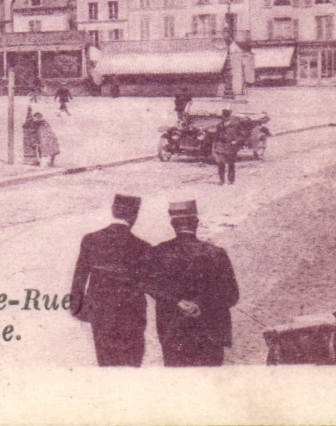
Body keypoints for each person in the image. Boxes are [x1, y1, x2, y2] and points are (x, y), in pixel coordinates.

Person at [144, 200, 239, 366]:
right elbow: (232, 295)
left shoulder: (158, 252)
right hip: (210, 332)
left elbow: (149, 286)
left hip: (173, 333)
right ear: (196, 223)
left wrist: (177, 302)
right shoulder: (216, 253)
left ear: (173, 224)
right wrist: (200, 304)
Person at [70, 194, 151, 366]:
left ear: (113, 211)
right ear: (134, 215)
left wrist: (76, 308)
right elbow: (150, 284)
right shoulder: (143, 246)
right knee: (132, 365)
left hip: (101, 312)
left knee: (105, 361)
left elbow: (80, 276)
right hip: (132, 315)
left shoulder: (91, 239)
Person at [211, 110, 241, 186]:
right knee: (220, 163)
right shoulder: (220, 125)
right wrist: (214, 145)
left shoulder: (235, 125)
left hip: (231, 146)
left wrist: (236, 141)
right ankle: (221, 180)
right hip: (221, 145)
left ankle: (231, 180)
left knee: (231, 164)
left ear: (229, 116)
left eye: (226, 116)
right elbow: (216, 136)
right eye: (223, 116)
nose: (224, 118)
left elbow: (241, 135)